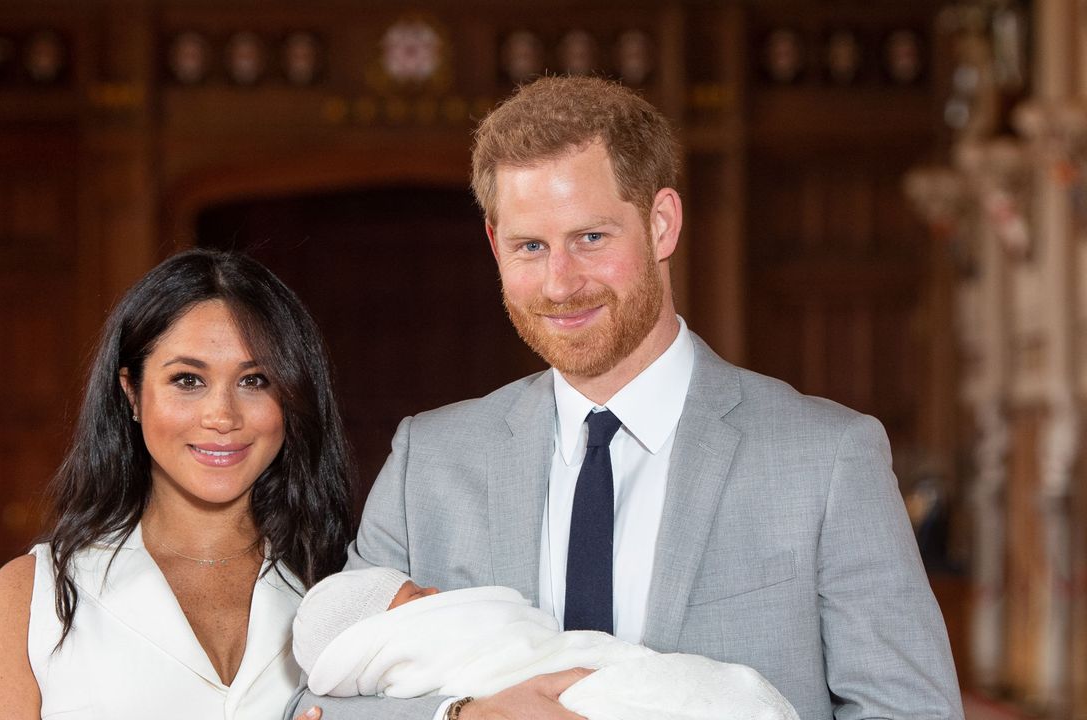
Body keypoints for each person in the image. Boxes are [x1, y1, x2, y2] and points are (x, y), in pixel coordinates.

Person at [292, 76, 964, 720]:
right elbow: (318, 701)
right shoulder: (429, 463)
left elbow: (912, 710)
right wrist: (462, 715)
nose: (560, 283)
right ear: (496, 246)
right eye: (530, 246)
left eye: (590, 237)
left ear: (662, 224)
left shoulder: (826, 458)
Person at [0, 249, 351, 720]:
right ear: (131, 393)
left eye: (255, 380)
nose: (222, 416)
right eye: (188, 380)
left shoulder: (342, 589)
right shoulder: (30, 600)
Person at [291, 567, 800, 720]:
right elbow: (313, 707)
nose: (438, 595)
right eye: (420, 595)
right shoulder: (420, 453)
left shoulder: (837, 446)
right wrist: (463, 715)